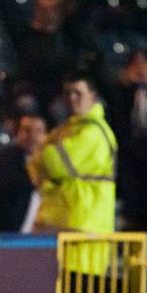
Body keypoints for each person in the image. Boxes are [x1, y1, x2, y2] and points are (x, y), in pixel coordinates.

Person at [27, 71, 117, 275]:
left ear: (93, 95)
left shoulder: (95, 132)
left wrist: (42, 148)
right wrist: (43, 152)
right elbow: (34, 167)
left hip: (83, 239)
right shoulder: (65, 130)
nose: (71, 98)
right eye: (68, 93)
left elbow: (56, 164)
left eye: (78, 93)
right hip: (57, 230)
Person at [0, 114, 46, 232]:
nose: (32, 136)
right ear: (18, 133)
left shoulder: (52, 163)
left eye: (38, 131)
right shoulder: (5, 161)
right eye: (27, 130)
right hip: (6, 237)